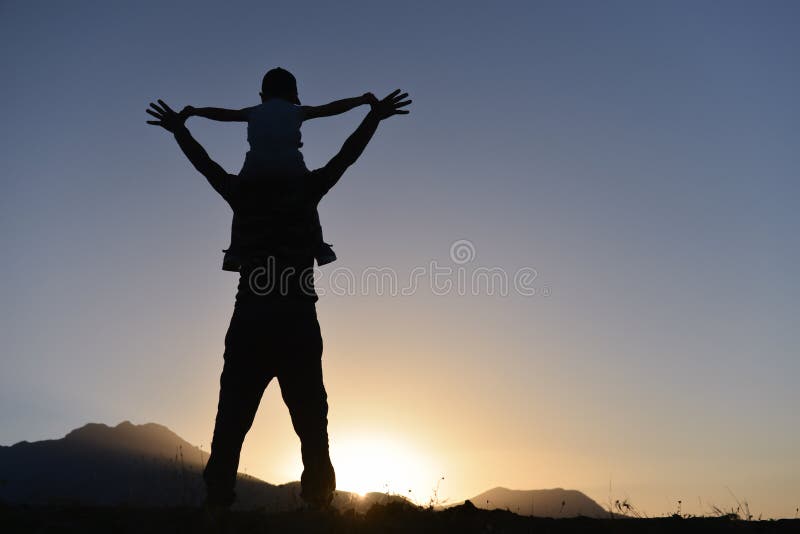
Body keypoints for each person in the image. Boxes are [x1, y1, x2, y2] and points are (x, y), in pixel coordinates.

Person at [145, 89, 411, 511]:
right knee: (311, 424)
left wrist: (181, 130)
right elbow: (347, 155)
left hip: (251, 316)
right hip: (296, 320)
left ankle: (217, 505)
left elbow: (206, 166)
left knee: (231, 421)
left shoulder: (243, 193)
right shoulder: (306, 189)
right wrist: (373, 117)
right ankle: (320, 508)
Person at [182, 67, 377, 268]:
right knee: (309, 203)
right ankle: (319, 246)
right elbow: (330, 109)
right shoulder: (299, 110)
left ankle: (235, 250)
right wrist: (360, 100)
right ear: (293, 95)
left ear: (262, 96)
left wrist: (196, 112)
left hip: (255, 172)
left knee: (240, 204)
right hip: (292, 171)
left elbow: (223, 114)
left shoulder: (252, 112)